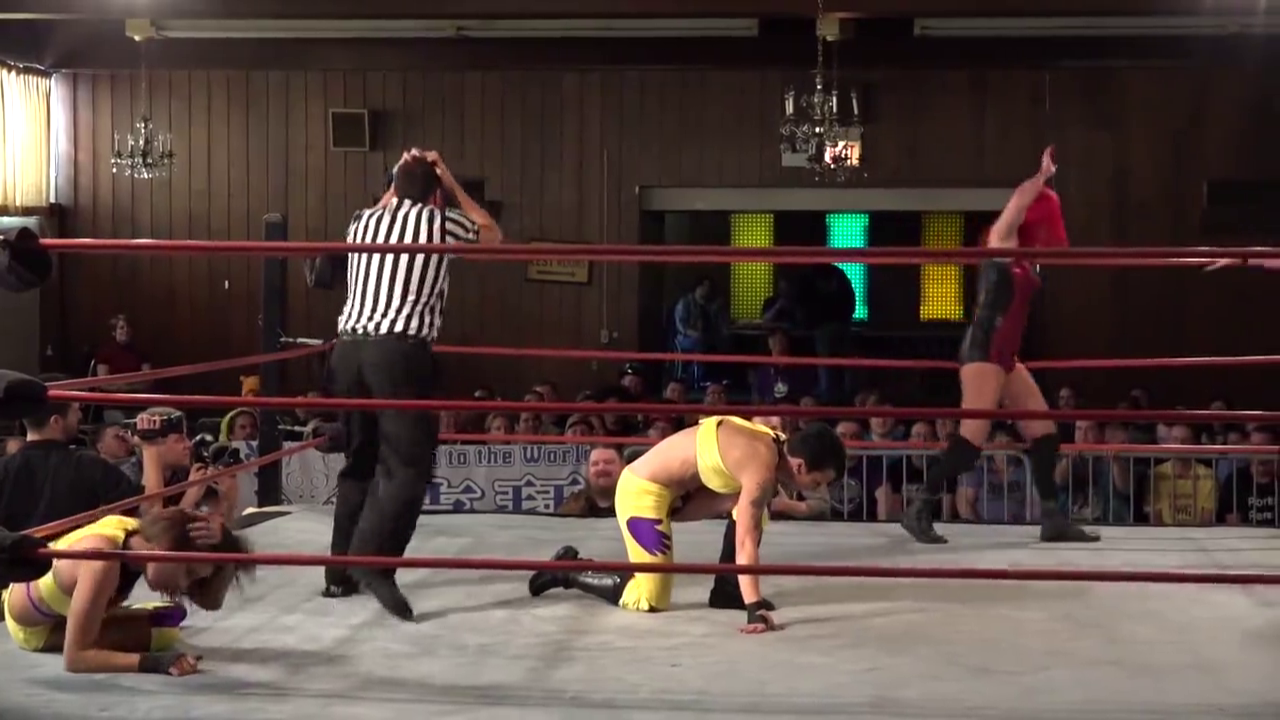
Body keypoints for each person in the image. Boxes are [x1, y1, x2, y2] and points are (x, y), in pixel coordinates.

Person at [325, 148, 503, 620]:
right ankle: (373, 563)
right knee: (408, 466)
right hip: (396, 353)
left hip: (346, 353)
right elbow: (492, 235)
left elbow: (393, 200)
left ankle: (338, 573)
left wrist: (403, 177)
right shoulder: (438, 222)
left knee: (361, 461)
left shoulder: (362, 221)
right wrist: (451, 181)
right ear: (435, 194)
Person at [901, 146, 1098, 546]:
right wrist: (1041, 177)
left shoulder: (1023, 258)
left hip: (1005, 356)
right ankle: (918, 507)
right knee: (971, 440)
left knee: (1044, 434)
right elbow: (1019, 202)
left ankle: (1052, 518)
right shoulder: (1000, 242)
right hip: (984, 350)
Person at [527, 417, 845, 633]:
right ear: (799, 466)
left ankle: (728, 589)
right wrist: (755, 607)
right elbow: (745, 540)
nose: (817, 489)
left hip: (676, 494)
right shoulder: (760, 465)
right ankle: (569, 570)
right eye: (817, 482)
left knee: (756, 503)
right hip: (641, 492)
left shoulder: (772, 443)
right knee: (650, 598)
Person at [2, 507, 251, 675]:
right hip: (37, 630)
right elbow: (75, 658)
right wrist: (152, 663)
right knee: (163, 632)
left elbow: (210, 602)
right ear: (166, 546)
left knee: (169, 618)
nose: (185, 586)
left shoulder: (139, 533)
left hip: (58, 605)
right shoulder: (102, 562)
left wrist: (226, 544)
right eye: (188, 572)